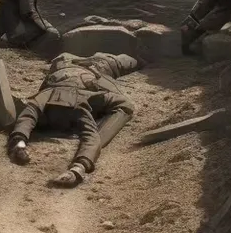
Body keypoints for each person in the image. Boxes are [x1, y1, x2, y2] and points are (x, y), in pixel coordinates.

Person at [7, 52, 137, 187]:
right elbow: (91, 136)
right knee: (121, 110)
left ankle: (20, 145)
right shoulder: (104, 66)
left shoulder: (60, 61)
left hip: (61, 84)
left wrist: (19, 140)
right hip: (80, 87)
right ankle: (80, 166)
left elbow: (28, 116)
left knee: (31, 112)